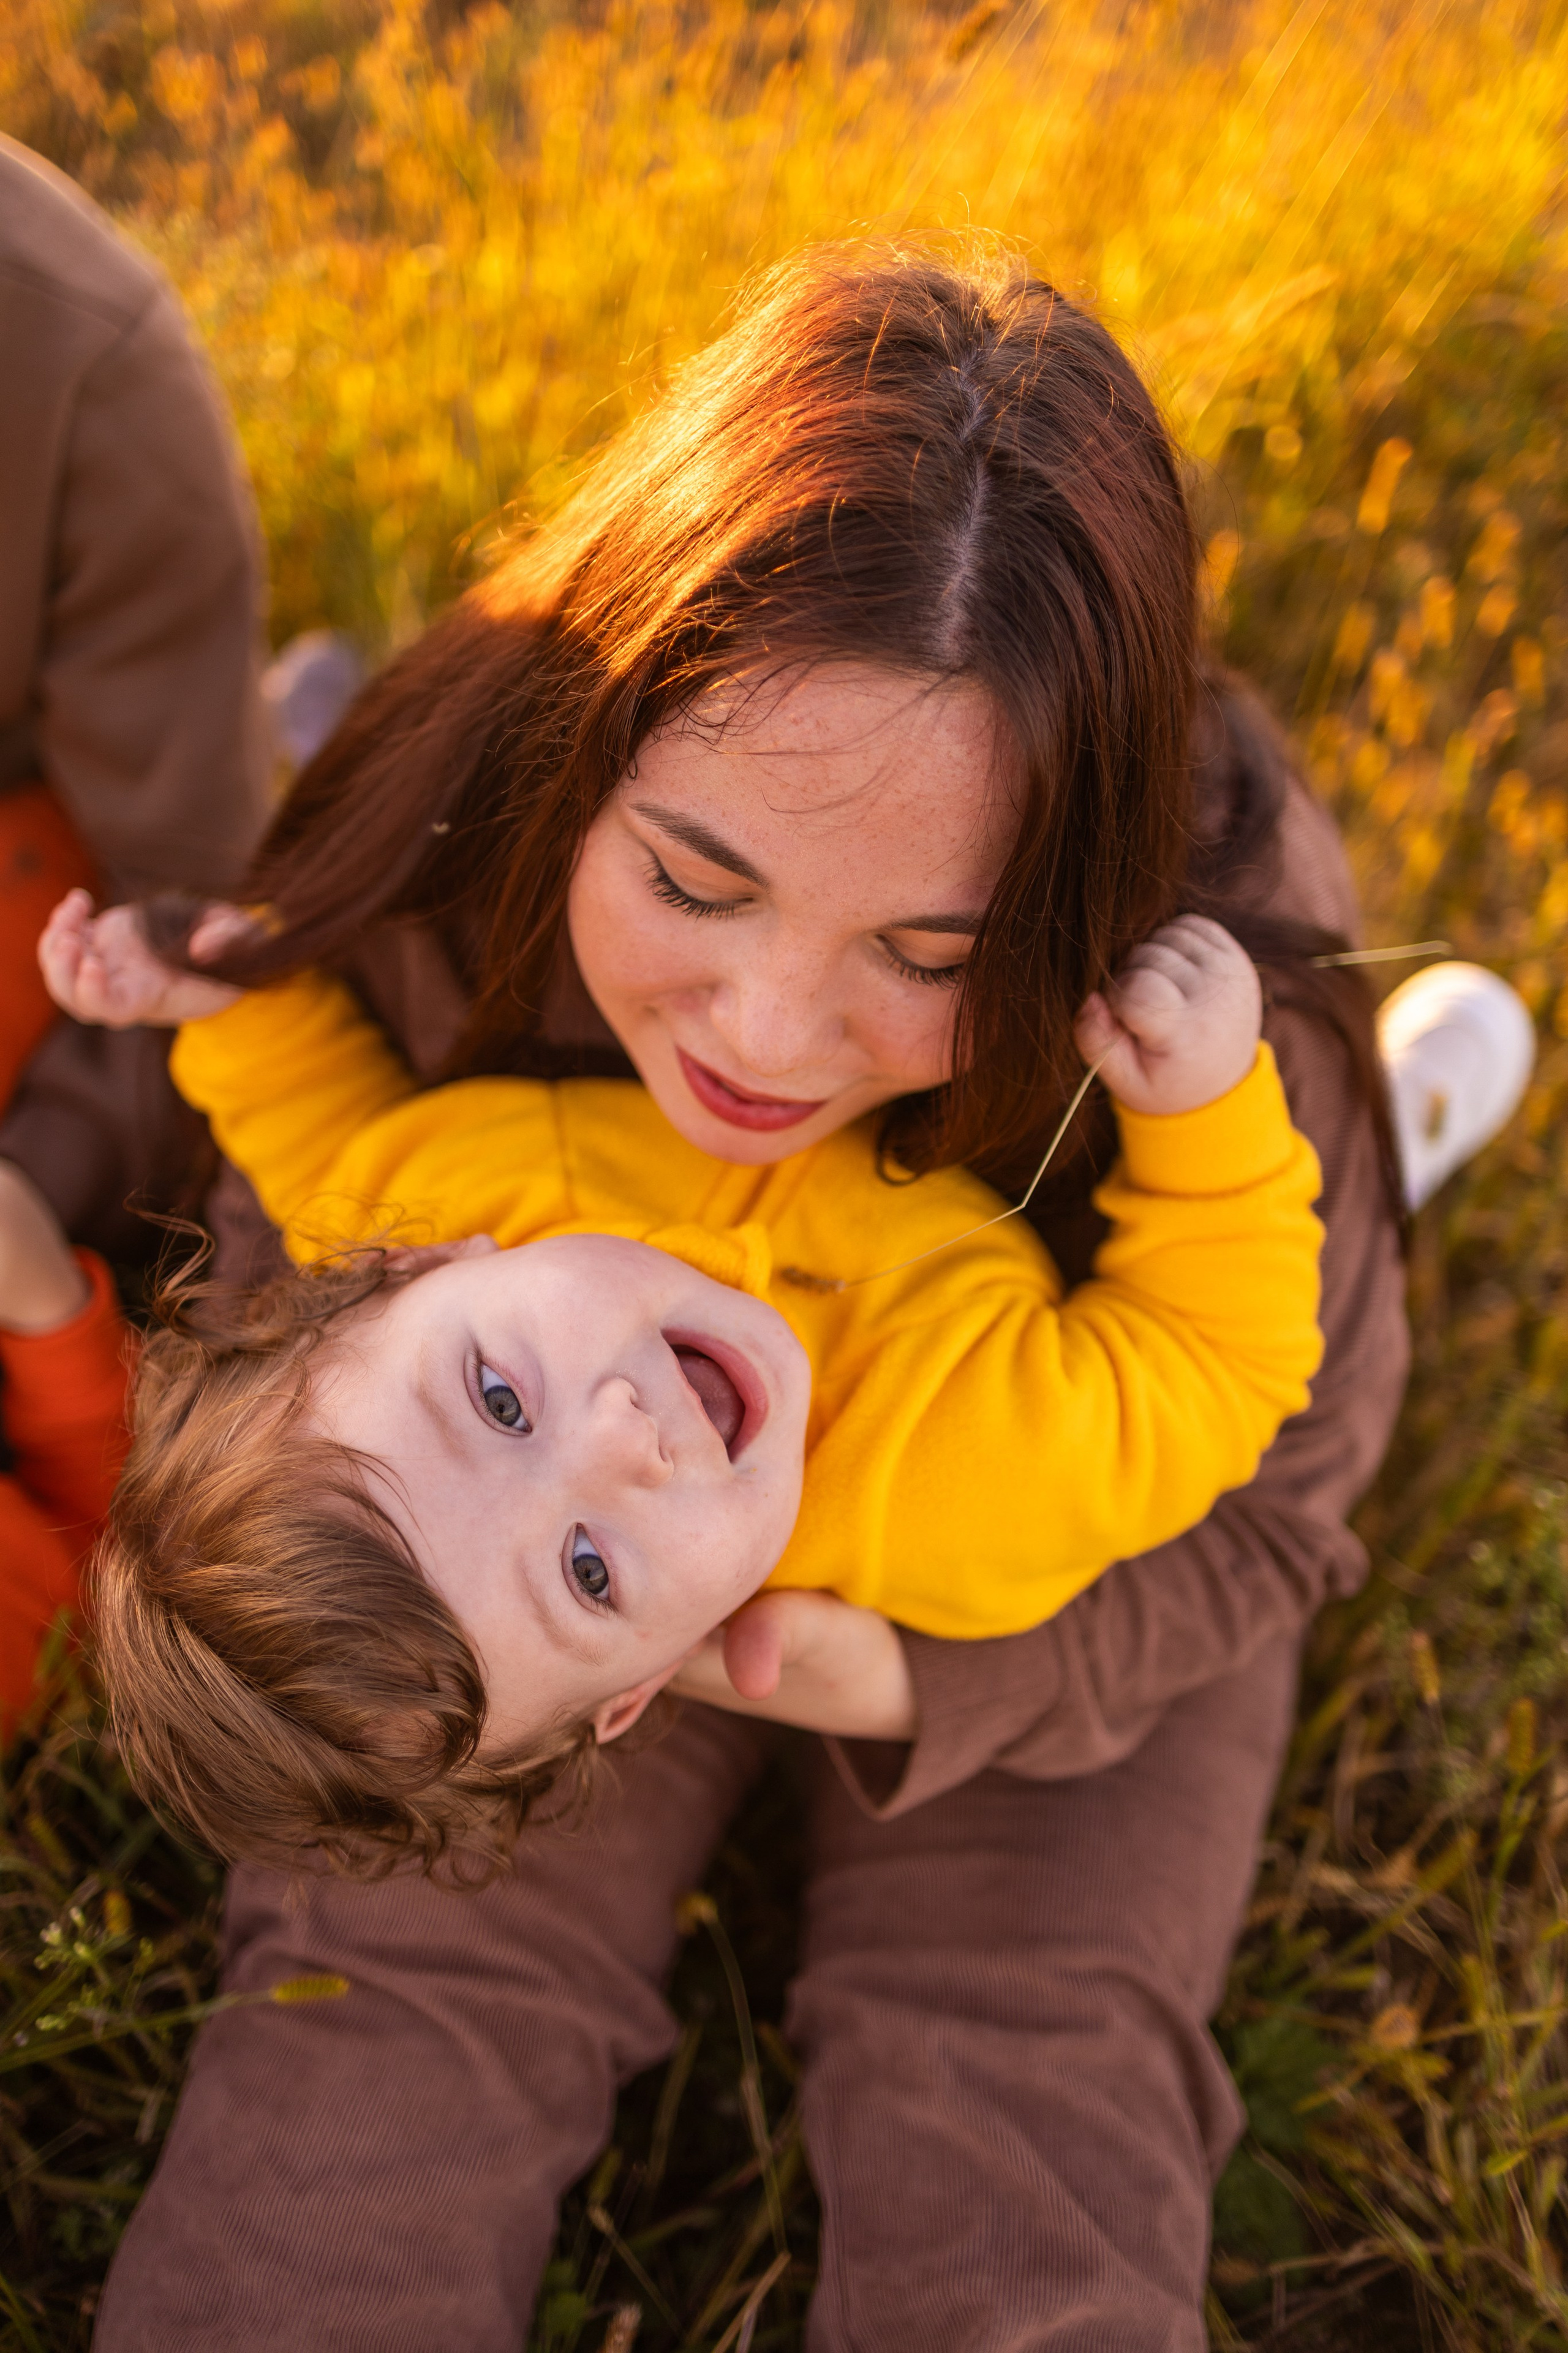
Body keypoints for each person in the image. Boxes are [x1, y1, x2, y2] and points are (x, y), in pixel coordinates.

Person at [96, 246, 1411, 2352]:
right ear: (586, 736)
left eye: (934, 950)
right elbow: (316, 1228)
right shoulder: (459, 841)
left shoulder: (1224, 998)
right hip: (546, 1609)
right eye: (696, 884)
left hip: (1058, 1595)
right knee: (398, 1994)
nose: (771, 1036)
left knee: (1018, 2056)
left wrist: (909, 1687)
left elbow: (1263, 1497)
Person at [43, 886, 1322, 1867]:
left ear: (416, 1263)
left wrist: (212, 999)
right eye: (588, 1573)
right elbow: (1221, 1359)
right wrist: (1202, 1115)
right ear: (650, 1682)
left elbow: (304, 1111)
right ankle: (1398, 1138)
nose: (619, 1439)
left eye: (500, 1401)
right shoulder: (962, 1488)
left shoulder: (432, 1184)